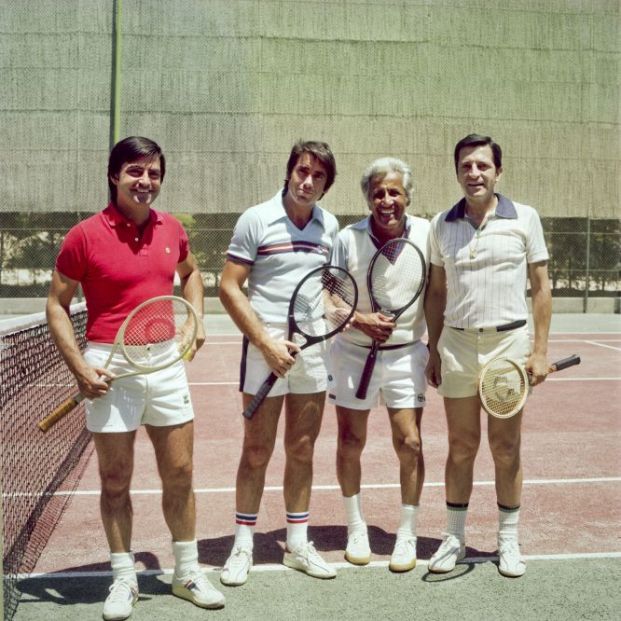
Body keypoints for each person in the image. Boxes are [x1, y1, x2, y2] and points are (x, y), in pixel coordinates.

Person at [46, 136, 225, 620]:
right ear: (114, 176)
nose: (145, 182)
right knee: (114, 479)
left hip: (164, 359)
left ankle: (186, 571)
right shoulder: (83, 235)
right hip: (109, 359)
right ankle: (124, 577)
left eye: (153, 173)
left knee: (181, 473)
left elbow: (191, 275)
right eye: (135, 172)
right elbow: (56, 306)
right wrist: (80, 367)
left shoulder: (172, 229)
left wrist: (197, 319)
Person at [424, 134, 552, 577]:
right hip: (457, 346)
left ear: (498, 171)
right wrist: (433, 349)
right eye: (465, 166)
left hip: (508, 347)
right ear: (456, 171)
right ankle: (454, 539)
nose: (474, 173)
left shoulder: (525, 219)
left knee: (505, 447)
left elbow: (541, 286)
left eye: (482, 166)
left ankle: (507, 541)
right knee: (461, 447)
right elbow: (437, 292)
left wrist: (538, 352)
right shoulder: (441, 223)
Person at [218, 140, 339, 586]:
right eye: (302, 171)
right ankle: (243, 545)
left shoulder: (330, 227)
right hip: (263, 352)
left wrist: (338, 313)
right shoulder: (256, 219)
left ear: (326, 185)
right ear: (289, 171)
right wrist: (266, 342)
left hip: (311, 355)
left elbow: (327, 287)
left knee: (302, 450)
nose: (307, 181)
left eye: (318, 176)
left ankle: (298, 543)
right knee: (256, 451)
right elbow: (229, 287)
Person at [328, 157, 429, 573]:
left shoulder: (427, 232)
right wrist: (358, 319)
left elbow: (437, 293)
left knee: (410, 443)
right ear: (368, 197)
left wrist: (436, 348)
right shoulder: (347, 238)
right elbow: (329, 297)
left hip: (407, 352)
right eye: (378, 193)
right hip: (352, 351)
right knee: (350, 442)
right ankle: (356, 527)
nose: (386, 200)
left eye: (394, 192)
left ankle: (407, 532)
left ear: (407, 197)